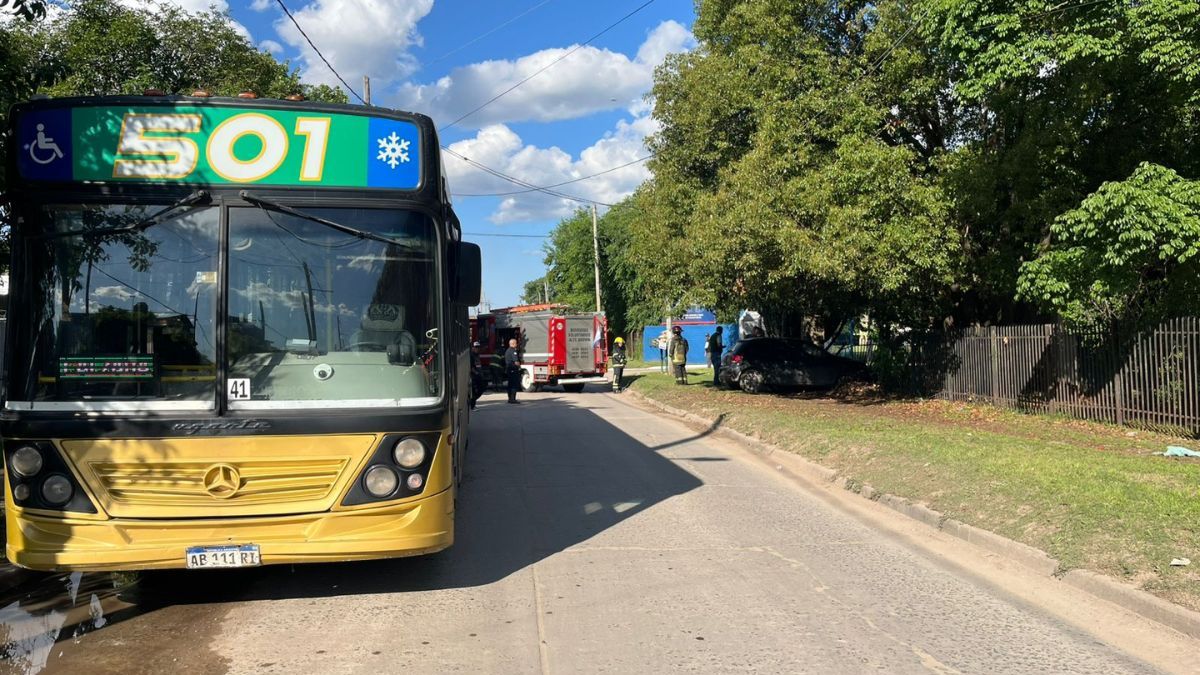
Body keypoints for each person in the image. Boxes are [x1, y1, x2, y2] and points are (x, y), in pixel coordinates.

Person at [504, 337, 522, 404]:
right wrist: (519, 366)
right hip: (513, 370)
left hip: (509, 370)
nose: (517, 344)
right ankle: (513, 399)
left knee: (510, 384)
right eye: (516, 343)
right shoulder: (513, 351)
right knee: (514, 384)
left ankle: (510, 399)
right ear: (513, 344)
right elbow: (516, 361)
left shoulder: (507, 350)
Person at [469, 342, 484, 409]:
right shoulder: (471, 356)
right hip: (474, 377)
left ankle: (472, 403)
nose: (477, 349)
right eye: (475, 347)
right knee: (475, 391)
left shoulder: (477, 355)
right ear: (472, 348)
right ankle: (472, 405)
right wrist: (476, 373)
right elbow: (471, 367)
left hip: (479, 376)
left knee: (480, 390)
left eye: (478, 347)